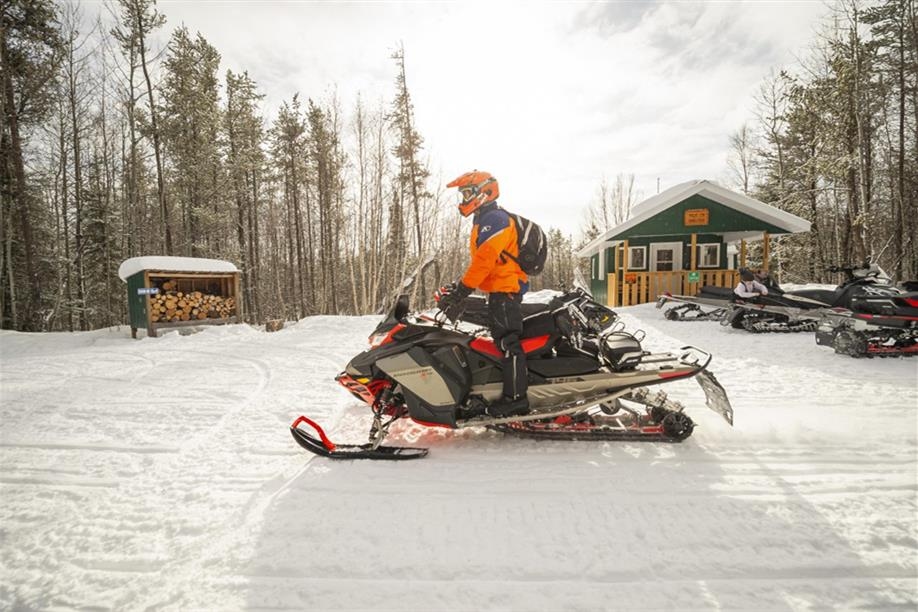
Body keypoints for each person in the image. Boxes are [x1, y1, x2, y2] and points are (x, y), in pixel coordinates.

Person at [437, 170, 530, 418]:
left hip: (506, 289)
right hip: (499, 289)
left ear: (484, 192)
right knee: (495, 339)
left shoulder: (496, 219)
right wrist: (459, 289)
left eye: (468, 192)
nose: (464, 198)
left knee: (508, 342)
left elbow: (485, 260)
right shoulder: (485, 219)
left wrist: (463, 289)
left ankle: (515, 400)